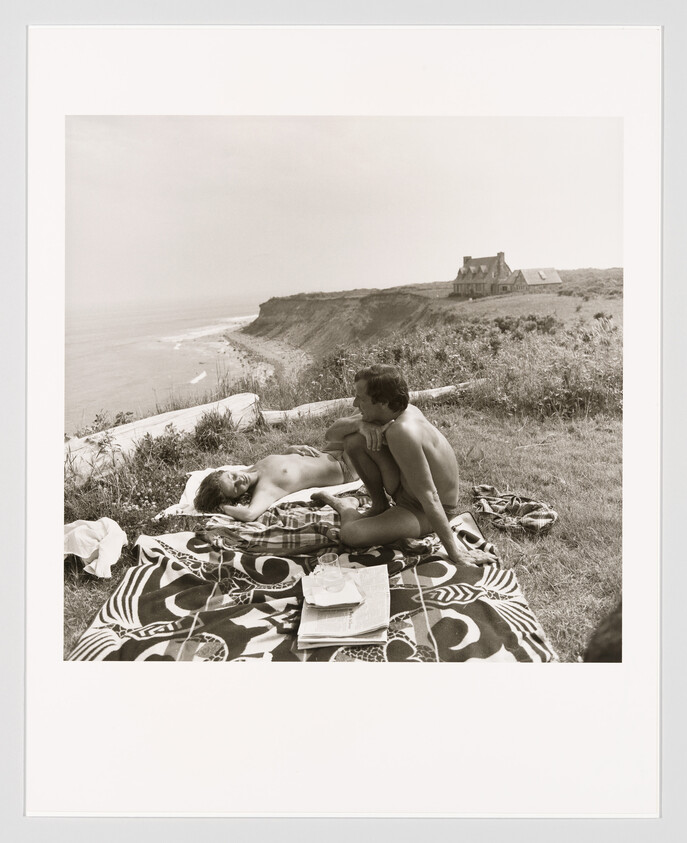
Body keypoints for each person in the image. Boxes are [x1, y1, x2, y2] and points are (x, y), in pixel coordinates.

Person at [314, 364, 494, 567]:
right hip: (406, 495)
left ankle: (345, 507)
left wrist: (455, 553)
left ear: (382, 402)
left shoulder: (402, 431)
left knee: (351, 534)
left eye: (361, 398)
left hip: (424, 511)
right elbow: (331, 435)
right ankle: (379, 505)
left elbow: (430, 495)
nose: (355, 403)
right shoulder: (393, 412)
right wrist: (359, 425)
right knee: (354, 440)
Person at [194, 444, 357, 522]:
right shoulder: (265, 489)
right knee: (364, 425)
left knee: (357, 417)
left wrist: (288, 452)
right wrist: (222, 507)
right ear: (238, 496)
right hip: (345, 467)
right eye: (236, 488)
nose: (239, 480)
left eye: (231, 476)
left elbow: (280, 467)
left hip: (329, 451)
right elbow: (250, 515)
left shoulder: (254, 468)